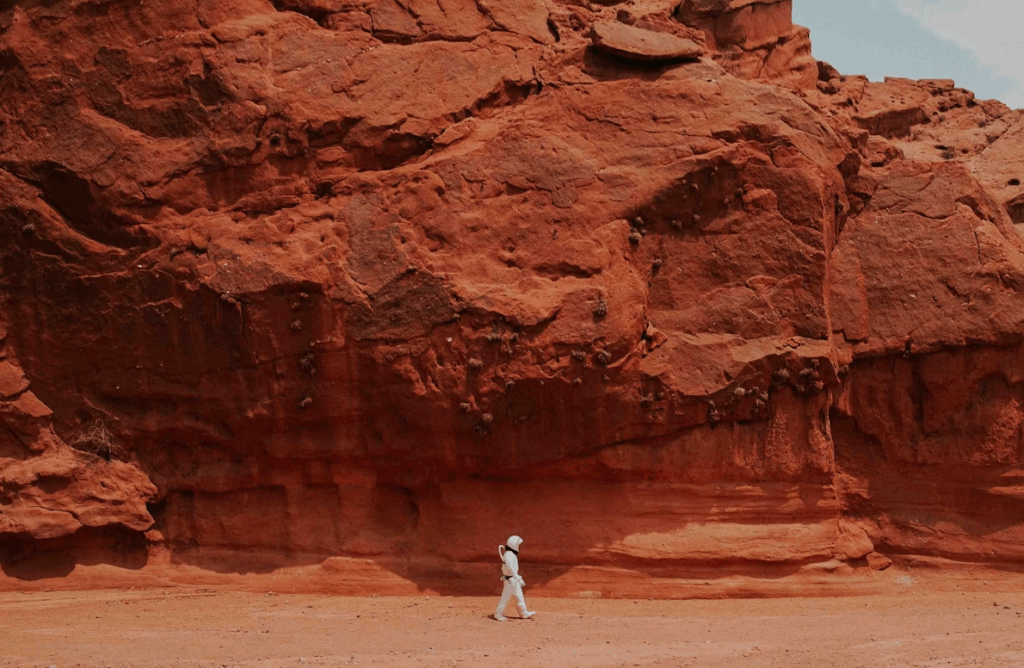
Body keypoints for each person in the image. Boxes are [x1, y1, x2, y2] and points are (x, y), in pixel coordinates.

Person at [495, 535, 536, 621]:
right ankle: (498, 614)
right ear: (514, 544)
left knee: (519, 596)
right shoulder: (509, 554)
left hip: (513, 579)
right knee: (505, 597)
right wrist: (517, 576)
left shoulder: (510, 554)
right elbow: (510, 567)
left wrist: (517, 578)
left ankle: (523, 613)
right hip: (510, 580)